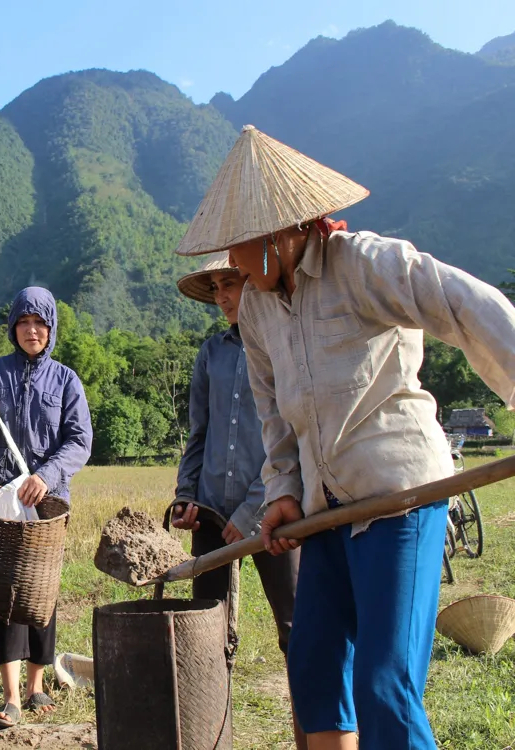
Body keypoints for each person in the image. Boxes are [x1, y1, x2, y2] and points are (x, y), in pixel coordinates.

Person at [175, 124, 515, 749]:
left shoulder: (363, 264)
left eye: (238, 250)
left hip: (398, 497)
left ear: (277, 234)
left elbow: (464, 303)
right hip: (323, 511)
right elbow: (271, 409)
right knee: (314, 666)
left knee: (384, 684)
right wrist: (281, 489)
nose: (232, 266)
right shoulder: (255, 307)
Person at [172, 252, 304, 749]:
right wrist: (187, 497)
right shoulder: (211, 353)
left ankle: (310, 735)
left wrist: (251, 512)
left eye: (233, 283)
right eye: (217, 289)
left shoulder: (282, 341)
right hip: (211, 513)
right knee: (206, 635)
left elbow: (288, 435)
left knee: (296, 629)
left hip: (276, 510)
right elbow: (198, 434)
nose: (225, 296)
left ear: (254, 282)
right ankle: (213, 737)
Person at [0, 287, 93, 728]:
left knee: (41, 592)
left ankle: (38, 686)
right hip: (2, 497)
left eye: (40, 323)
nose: (32, 330)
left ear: (51, 328)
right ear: (13, 328)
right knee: (7, 593)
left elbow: (79, 441)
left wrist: (47, 475)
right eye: (24, 322)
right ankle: (12, 695)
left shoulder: (66, 380)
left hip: (46, 498)